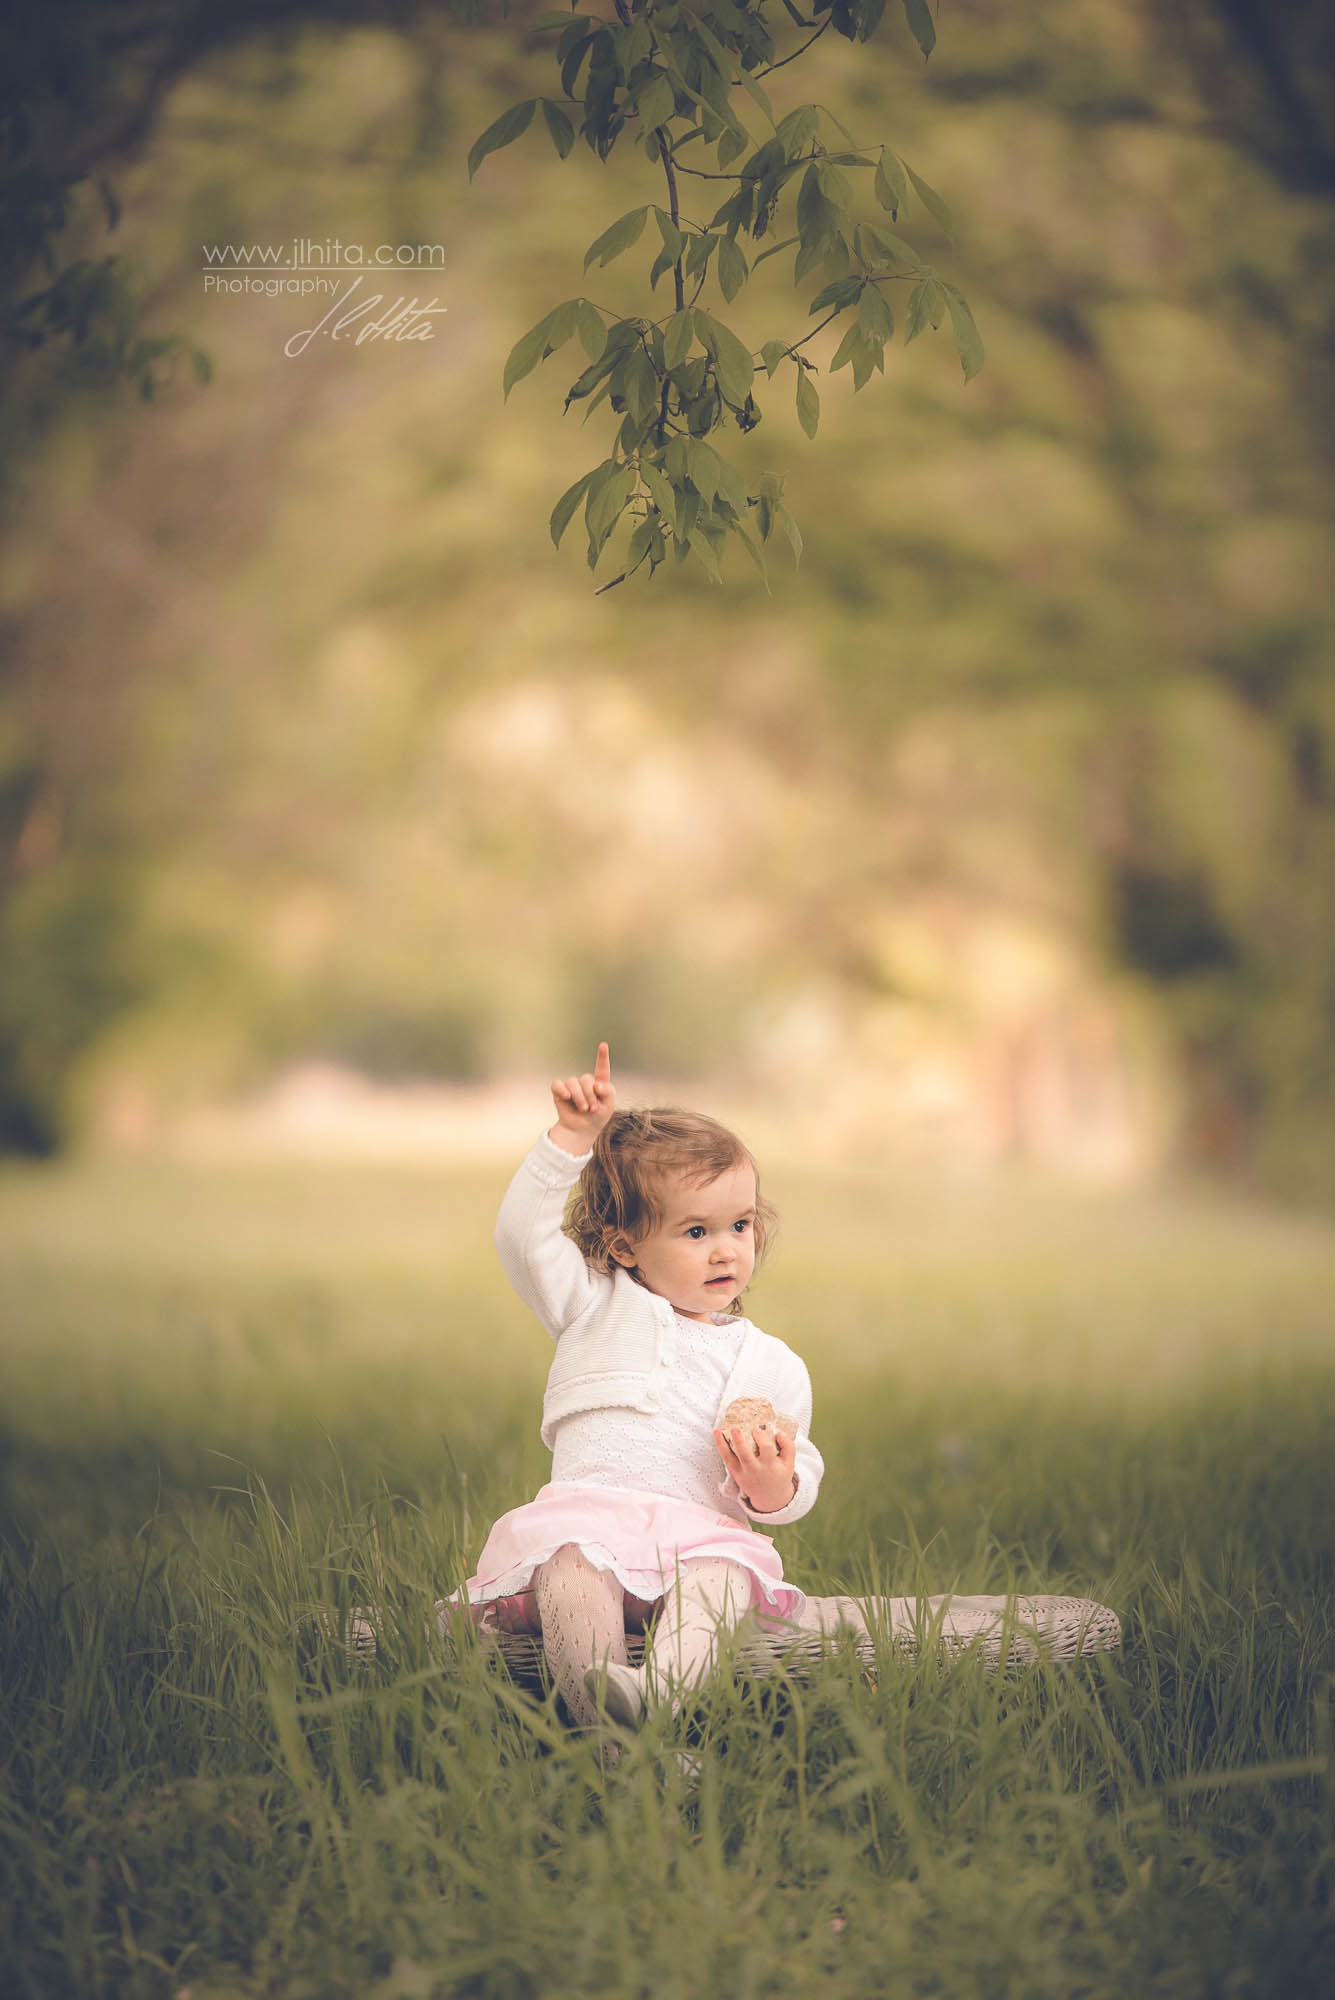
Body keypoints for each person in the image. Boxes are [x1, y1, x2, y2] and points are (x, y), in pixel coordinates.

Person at [449, 1043, 1121, 1732]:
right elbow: (521, 1237)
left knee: (715, 1580)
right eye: (695, 1231)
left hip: (696, 1541)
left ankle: (658, 1696)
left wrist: (771, 1487)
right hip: (588, 1524)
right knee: (567, 1573)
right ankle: (606, 1738)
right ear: (622, 1247)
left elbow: (791, 1481)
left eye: (739, 1225)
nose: (726, 1249)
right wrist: (569, 1140)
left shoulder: (767, 1363)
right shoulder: (593, 1306)